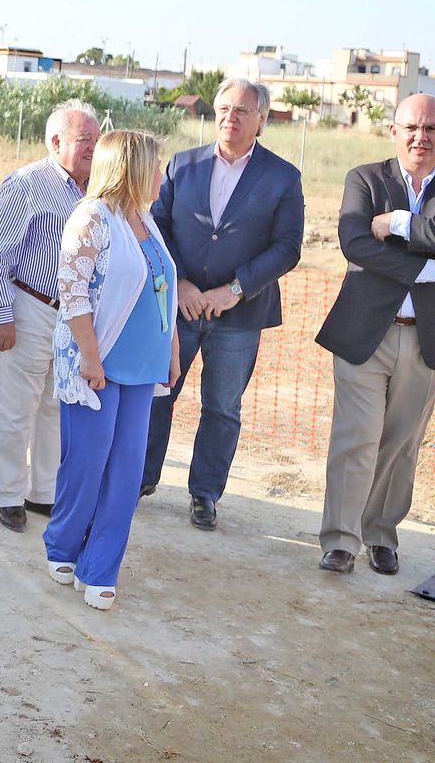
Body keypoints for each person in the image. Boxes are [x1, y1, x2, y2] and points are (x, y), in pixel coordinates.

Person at [315, 94, 435, 575]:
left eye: (432, 128)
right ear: (393, 131)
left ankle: (380, 535)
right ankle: (341, 540)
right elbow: (355, 244)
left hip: (427, 338)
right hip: (364, 334)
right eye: (411, 127)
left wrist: (398, 224)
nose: (421, 136)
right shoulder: (365, 180)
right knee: (357, 437)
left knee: (401, 443)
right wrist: (432, 270)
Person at [142, 78, 304, 531]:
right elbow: (157, 229)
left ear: (262, 120)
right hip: (181, 307)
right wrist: (182, 285)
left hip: (239, 314)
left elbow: (288, 247)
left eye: (243, 111)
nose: (231, 118)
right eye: (225, 109)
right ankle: (142, 478)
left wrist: (234, 289)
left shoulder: (282, 177)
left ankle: (204, 493)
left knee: (222, 407)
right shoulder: (182, 165)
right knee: (158, 392)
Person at [43, 130, 180, 611]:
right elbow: (74, 293)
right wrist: (90, 354)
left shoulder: (146, 219)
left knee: (126, 470)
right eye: (156, 164)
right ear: (134, 168)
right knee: (87, 462)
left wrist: (172, 350)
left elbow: (165, 288)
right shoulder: (91, 217)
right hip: (96, 365)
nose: (163, 174)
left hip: (142, 367)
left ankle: (99, 568)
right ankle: (63, 544)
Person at [0, 100, 98, 531]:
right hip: (26, 307)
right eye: (85, 140)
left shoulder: (96, 190)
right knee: (13, 408)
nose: (92, 149)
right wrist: (2, 315)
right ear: (56, 140)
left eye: (97, 141)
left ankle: (43, 493)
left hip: (72, 317)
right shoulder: (26, 184)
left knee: (55, 406)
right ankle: (7, 494)